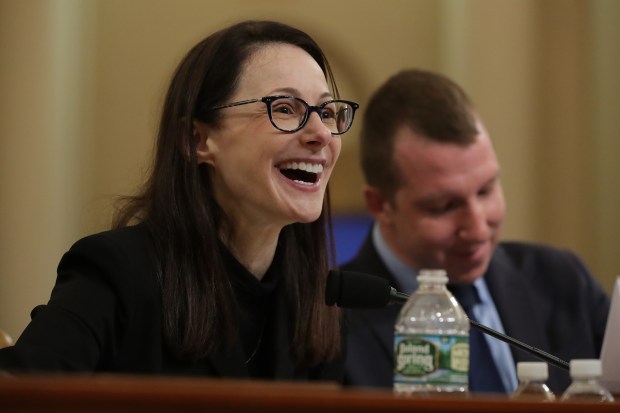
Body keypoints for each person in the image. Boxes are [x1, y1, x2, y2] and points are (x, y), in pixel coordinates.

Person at [0, 20, 359, 381]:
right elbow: (21, 394)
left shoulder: (321, 303)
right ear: (197, 140)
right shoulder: (118, 273)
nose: (320, 135)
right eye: (284, 108)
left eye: (326, 113)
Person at [341, 69, 609, 394]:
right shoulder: (327, 321)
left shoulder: (563, 282)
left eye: (485, 191)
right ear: (381, 205)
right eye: (443, 206)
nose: (478, 228)